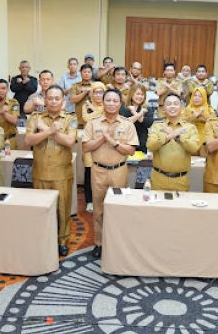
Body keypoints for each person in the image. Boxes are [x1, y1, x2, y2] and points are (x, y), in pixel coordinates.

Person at [82, 89, 138, 258]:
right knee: (98, 209)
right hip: (98, 170)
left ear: (120, 104)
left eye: (115, 101)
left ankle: (116, 243)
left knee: (118, 208)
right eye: (108, 100)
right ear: (102, 102)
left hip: (119, 170)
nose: (111, 103)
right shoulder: (93, 123)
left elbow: (131, 151)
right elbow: (85, 147)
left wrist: (113, 142)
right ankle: (98, 243)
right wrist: (103, 138)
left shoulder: (127, 124)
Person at [25, 85, 78, 256]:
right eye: (50, 98)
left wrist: (50, 131)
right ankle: (43, 238)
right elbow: (28, 141)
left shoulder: (70, 118)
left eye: (57, 98)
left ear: (63, 102)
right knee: (41, 208)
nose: (53, 101)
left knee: (62, 208)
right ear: (45, 100)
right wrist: (50, 131)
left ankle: (62, 240)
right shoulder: (35, 117)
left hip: (62, 173)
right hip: (40, 171)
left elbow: (69, 141)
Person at [147, 93, 200, 191]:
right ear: (163, 108)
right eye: (169, 104)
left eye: (176, 103)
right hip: (159, 179)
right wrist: (168, 137)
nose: (172, 106)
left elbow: (194, 148)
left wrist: (179, 138)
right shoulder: (157, 126)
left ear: (182, 108)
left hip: (181, 180)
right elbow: (150, 146)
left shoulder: (190, 127)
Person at [81, 82, 106, 213]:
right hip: (89, 141)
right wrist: (98, 111)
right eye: (95, 92)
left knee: (103, 172)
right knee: (89, 172)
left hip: (104, 142)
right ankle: (89, 200)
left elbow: (105, 116)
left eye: (101, 92)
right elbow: (87, 118)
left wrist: (96, 110)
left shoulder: (108, 103)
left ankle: (102, 199)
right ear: (91, 93)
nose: (98, 95)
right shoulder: (86, 105)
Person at [120, 85, 153, 154]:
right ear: (132, 94)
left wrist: (135, 113)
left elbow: (148, 123)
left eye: (142, 94)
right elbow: (125, 124)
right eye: (137, 94)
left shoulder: (147, 108)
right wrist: (139, 113)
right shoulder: (124, 108)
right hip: (126, 142)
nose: (140, 96)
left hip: (142, 142)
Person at [0, 79, 20, 149]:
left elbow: (15, 120)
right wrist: (1, 111)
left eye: (3, 88)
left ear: (7, 90)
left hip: (10, 139)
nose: (0, 91)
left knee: (11, 159)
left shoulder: (14, 103)